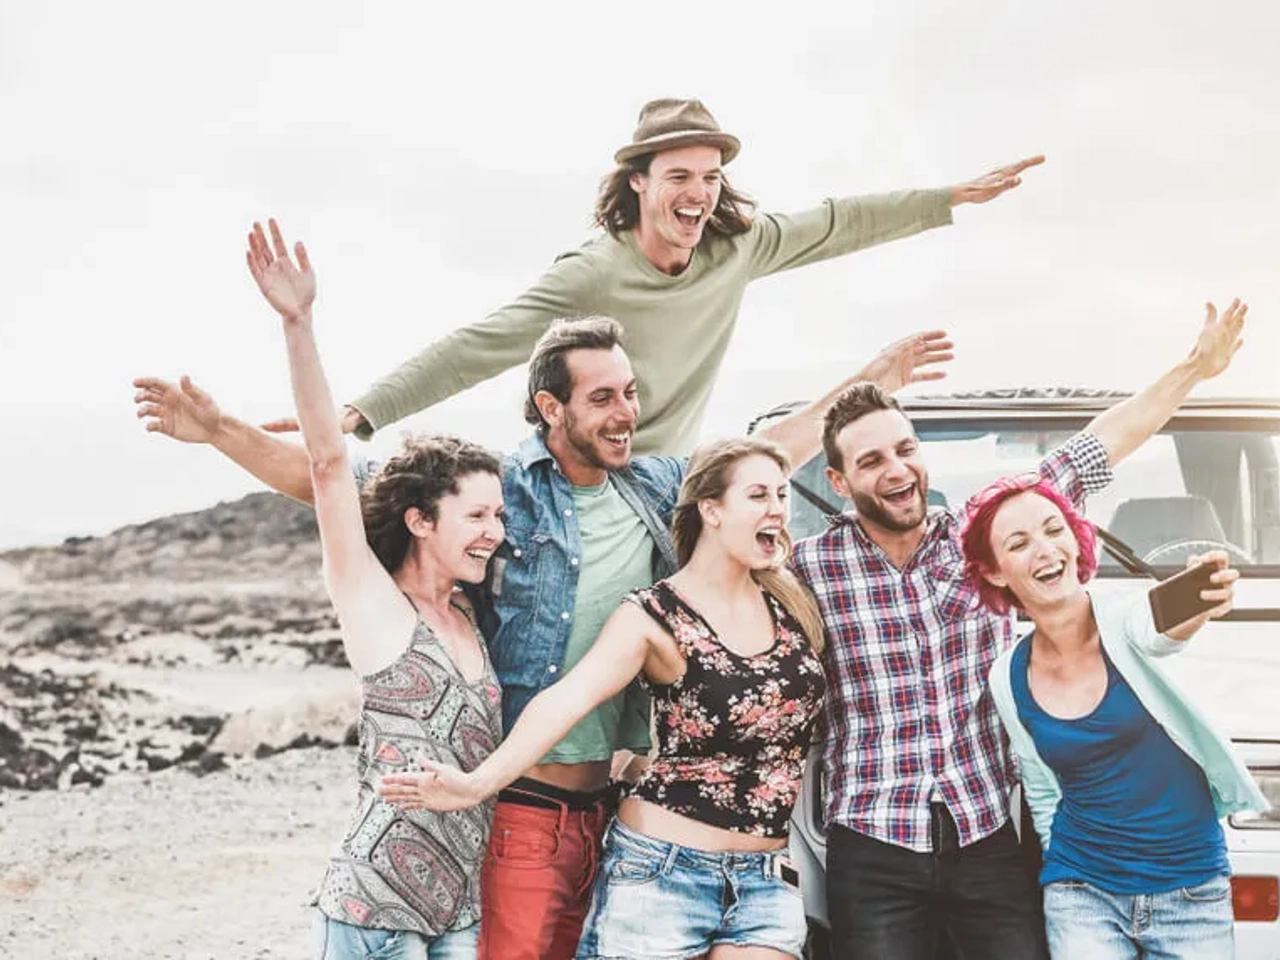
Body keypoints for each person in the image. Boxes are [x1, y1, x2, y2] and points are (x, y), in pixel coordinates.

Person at [135, 308, 952, 960]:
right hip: (527, 805)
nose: (626, 412)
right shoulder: (499, 498)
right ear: (550, 408)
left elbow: (763, 458)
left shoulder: (655, 486)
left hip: (622, 806)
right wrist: (220, 432)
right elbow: (338, 485)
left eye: (630, 393)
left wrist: (871, 380)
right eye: (603, 398)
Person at [788, 299, 1250, 959]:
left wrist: (1194, 368)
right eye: (869, 462)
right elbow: (735, 492)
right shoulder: (807, 568)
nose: (895, 469)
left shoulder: (986, 543)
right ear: (836, 480)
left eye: (904, 449)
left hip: (988, 832)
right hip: (872, 841)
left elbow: (1097, 449)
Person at [289, 96, 1039, 454]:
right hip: (578, 473)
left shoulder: (735, 246)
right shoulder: (594, 271)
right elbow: (480, 343)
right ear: (640, 183)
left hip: (666, 478)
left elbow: (839, 221)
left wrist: (947, 198)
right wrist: (363, 410)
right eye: (680, 175)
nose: (700, 193)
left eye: (711, 176)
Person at [380, 437, 828, 960]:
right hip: (663, 874)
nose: (777, 508)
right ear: (711, 509)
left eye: (781, 494)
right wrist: (477, 784)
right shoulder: (654, 615)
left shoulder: (792, 601)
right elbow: (566, 699)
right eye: (758, 495)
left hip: (765, 880)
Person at [241, 218, 505, 959]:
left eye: (500, 514)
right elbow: (328, 465)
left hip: (456, 913)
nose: (496, 531)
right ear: (421, 520)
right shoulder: (376, 605)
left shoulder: (471, 617)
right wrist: (299, 322)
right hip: (371, 910)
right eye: (478, 515)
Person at [959, 476, 1268, 959]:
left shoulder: (1126, 618)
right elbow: (1041, 789)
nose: (1045, 549)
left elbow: (1161, 628)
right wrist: (1060, 875)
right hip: (1083, 893)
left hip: (1191, 889)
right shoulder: (1007, 675)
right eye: (1019, 543)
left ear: (1075, 539)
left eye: (1053, 529)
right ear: (996, 572)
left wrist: (1200, 595)